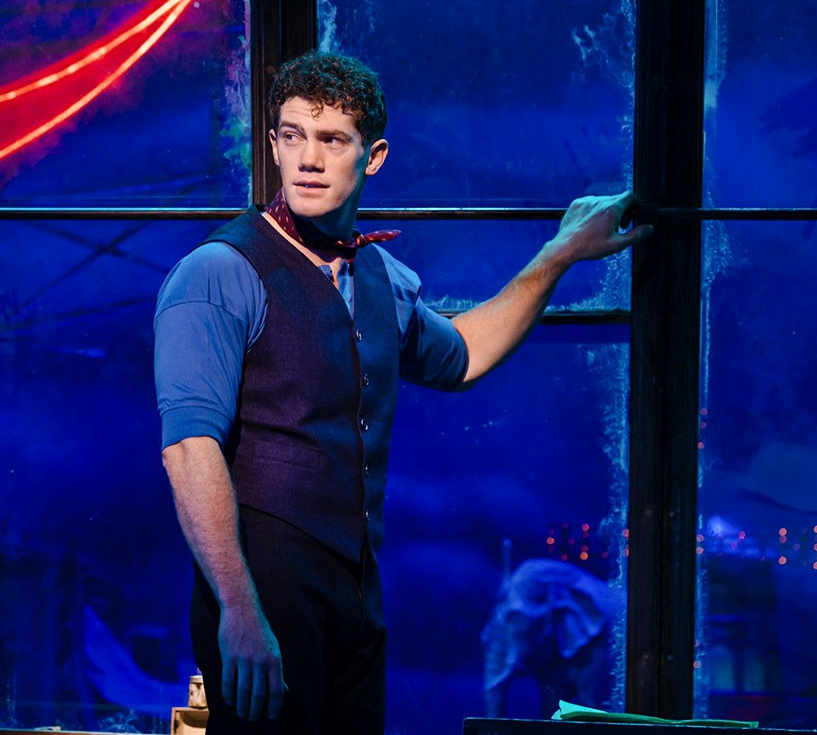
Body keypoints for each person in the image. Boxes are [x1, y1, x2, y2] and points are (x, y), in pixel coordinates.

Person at [154, 51, 650, 734]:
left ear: (373, 156)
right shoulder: (218, 272)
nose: (307, 158)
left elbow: (463, 354)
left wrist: (559, 253)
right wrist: (238, 612)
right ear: (272, 143)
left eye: (331, 140)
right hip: (264, 587)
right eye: (291, 136)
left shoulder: (378, 276)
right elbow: (189, 450)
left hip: (356, 590)